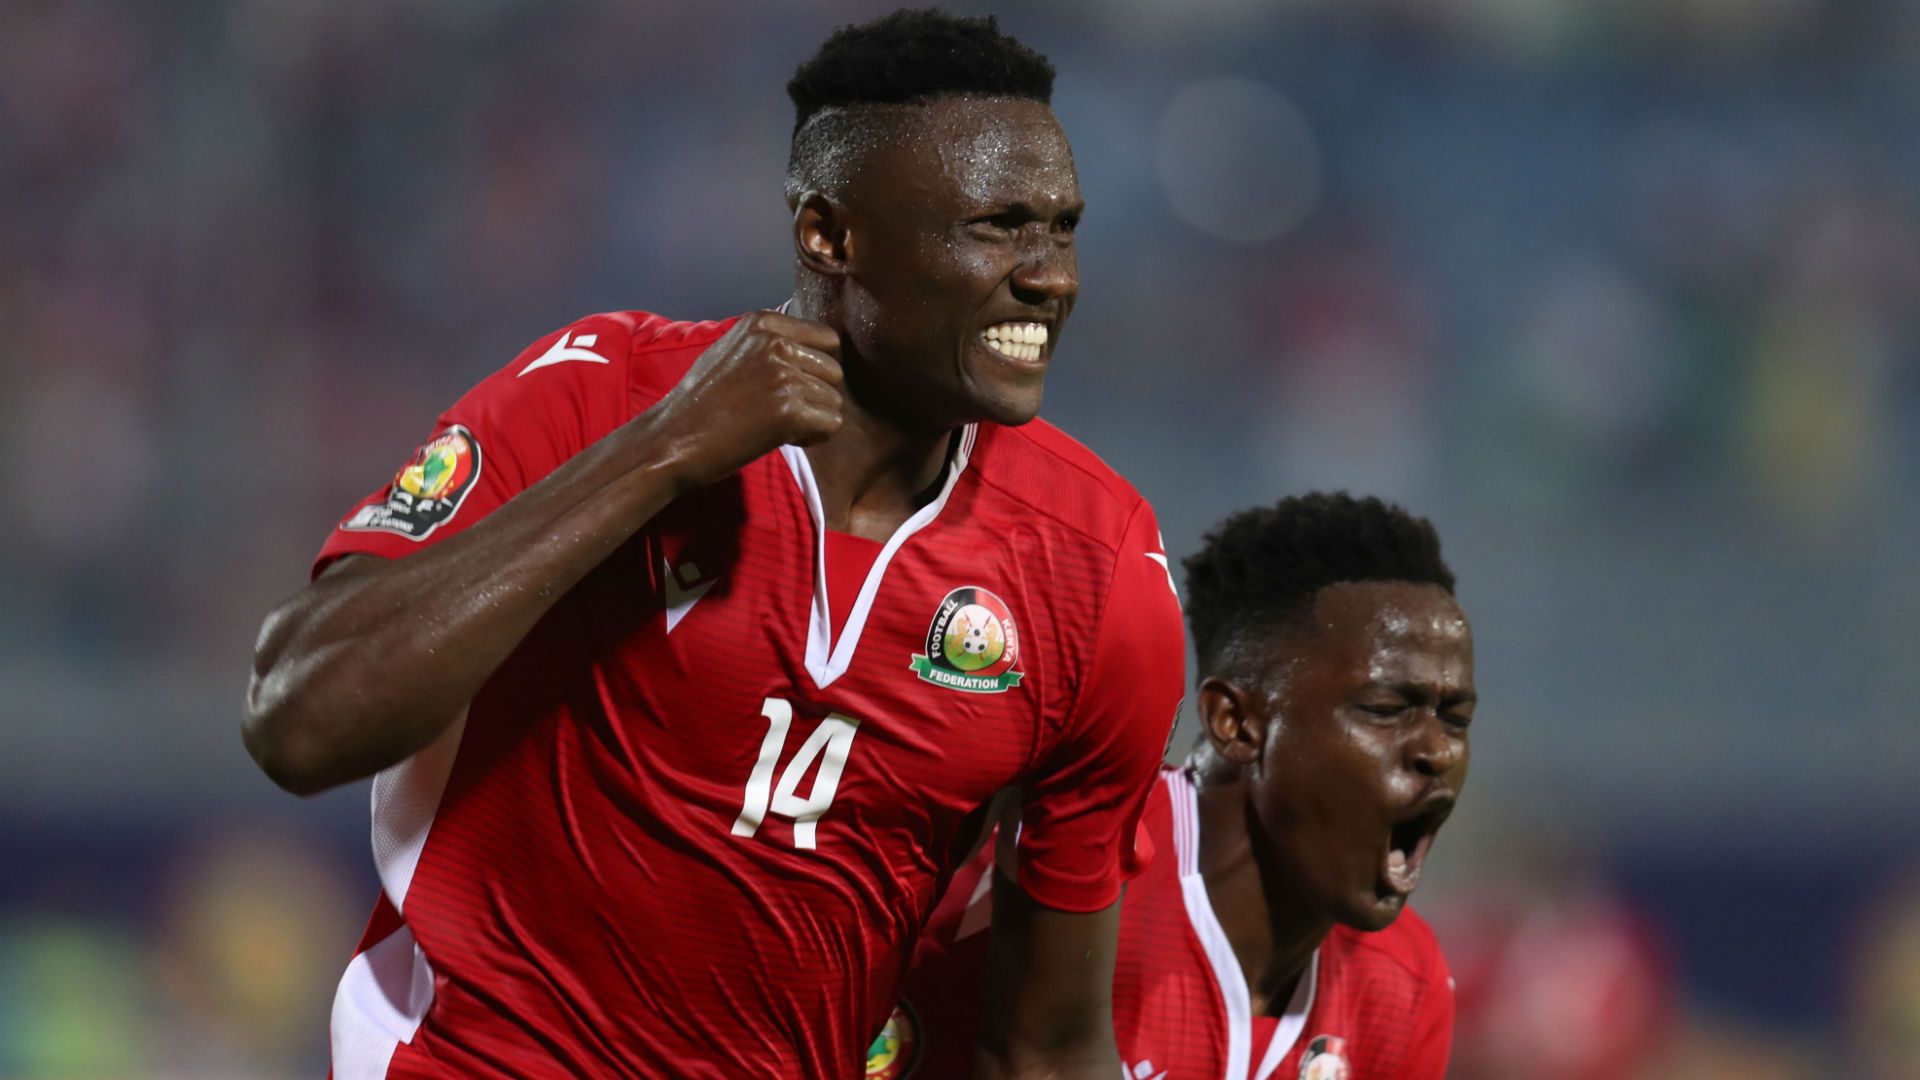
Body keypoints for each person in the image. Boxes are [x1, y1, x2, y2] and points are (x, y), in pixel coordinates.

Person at [241, 10, 1184, 1078]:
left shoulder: (1100, 572)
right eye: (997, 227)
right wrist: (663, 454)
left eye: (1060, 229)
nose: (1049, 276)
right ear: (830, 235)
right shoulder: (604, 395)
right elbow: (298, 722)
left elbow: (1050, 1049)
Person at [887, 493, 1471, 1080]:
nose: (1438, 751)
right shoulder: (1073, 873)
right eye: (1387, 708)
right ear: (1236, 723)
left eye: (1456, 719)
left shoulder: (1406, 986)